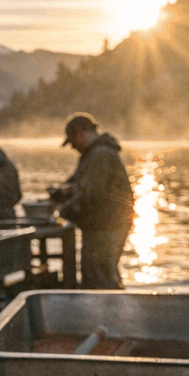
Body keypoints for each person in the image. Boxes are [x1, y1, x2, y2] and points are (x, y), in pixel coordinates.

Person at [50, 112, 134, 289]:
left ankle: (110, 306)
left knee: (100, 276)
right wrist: (63, 192)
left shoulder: (100, 155)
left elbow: (91, 194)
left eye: (72, 141)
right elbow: (79, 183)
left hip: (108, 226)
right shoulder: (92, 154)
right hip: (102, 225)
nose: (73, 147)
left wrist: (60, 212)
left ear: (81, 133)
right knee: (97, 273)